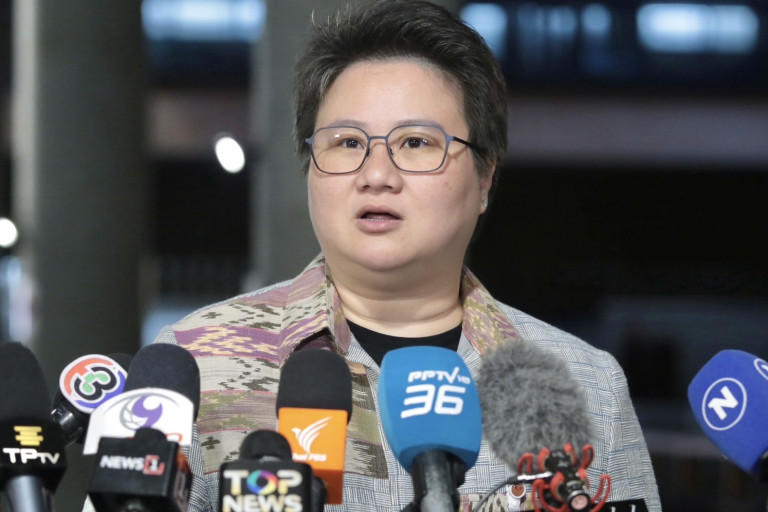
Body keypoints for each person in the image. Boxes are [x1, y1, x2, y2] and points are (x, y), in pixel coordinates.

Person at [149, 1, 661, 511]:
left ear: (485, 177)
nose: (377, 175)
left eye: (415, 143)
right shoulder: (196, 366)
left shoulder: (585, 385)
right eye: (347, 143)